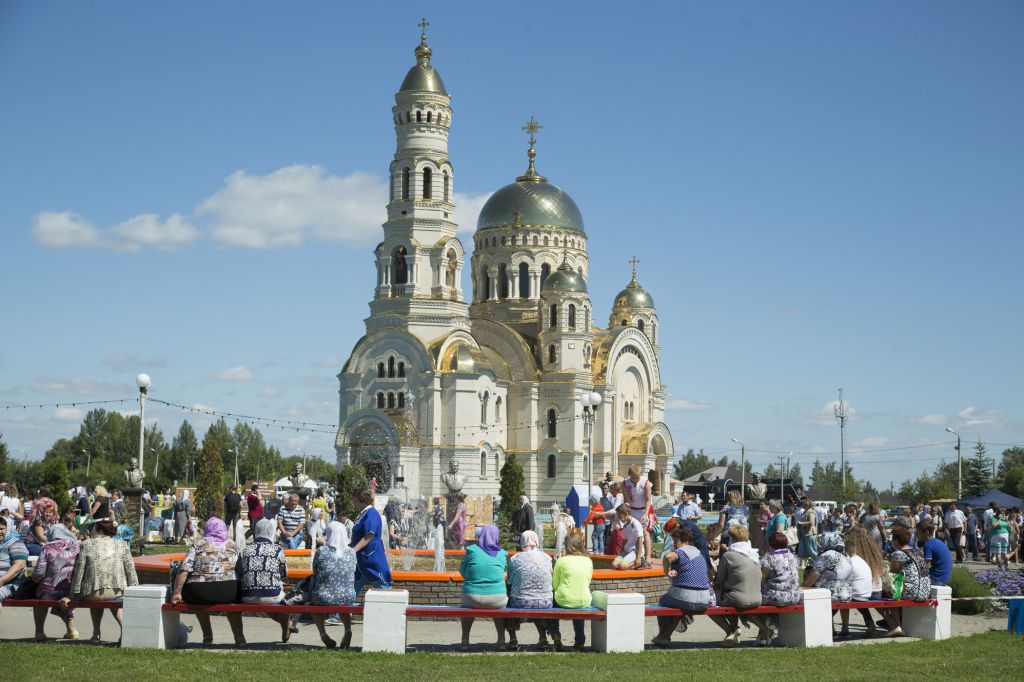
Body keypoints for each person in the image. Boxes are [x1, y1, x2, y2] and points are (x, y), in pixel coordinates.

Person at [170, 517, 245, 645]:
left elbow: (184, 569)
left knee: (197, 596)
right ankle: (239, 638)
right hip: (229, 591)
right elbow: (241, 570)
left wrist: (177, 592)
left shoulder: (199, 544)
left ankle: (207, 636)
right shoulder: (232, 545)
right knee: (234, 603)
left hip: (200, 591)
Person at [65, 518, 139, 643]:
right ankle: (125, 631)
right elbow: (131, 570)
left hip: (93, 592)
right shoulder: (122, 544)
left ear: (99, 530)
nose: (91, 531)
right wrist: (136, 590)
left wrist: (72, 595)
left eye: (93, 528)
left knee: (96, 596)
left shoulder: (86, 544)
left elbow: (79, 572)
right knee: (115, 600)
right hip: (118, 591)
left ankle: (96, 634)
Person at [651, 525, 710, 648]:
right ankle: (667, 634)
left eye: (676, 541)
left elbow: (667, 557)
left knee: (663, 600)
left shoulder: (681, 552)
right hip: (704, 598)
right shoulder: (698, 553)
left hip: (687, 598)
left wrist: (666, 572)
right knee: (679, 604)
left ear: (686, 542)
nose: (673, 544)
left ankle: (663, 634)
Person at [235, 518, 290, 642]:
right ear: (271, 532)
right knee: (283, 601)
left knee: (266, 599)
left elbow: (239, 571)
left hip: (248, 597)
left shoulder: (246, 550)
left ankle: (287, 626)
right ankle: (287, 627)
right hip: (272, 595)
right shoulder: (278, 550)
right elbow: (284, 575)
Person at [709, 525, 762, 647]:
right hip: (757, 598)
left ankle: (731, 630)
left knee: (710, 604)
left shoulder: (729, 555)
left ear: (732, 539)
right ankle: (734, 632)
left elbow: (719, 580)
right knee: (730, 594)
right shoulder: (754, 554)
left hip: (737, 598)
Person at [457, 524, 508, 651]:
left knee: (467, 608)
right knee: (499, 608)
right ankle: (501, 640)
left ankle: (465, 640)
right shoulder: (502, 554)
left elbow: (463, 573)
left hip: (472, 597)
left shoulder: (472, 550)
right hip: (497, 598)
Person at [309, 521, 358, 649]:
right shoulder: (352, 552)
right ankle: (347, 630)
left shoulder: (322, 551)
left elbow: (315, 571)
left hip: (324, 597)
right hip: (348, 596)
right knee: (343, 601)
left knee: (313, 602)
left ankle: (323, 633)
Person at [32, 523, 81, 641]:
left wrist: (33, 579)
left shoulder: (47, 547)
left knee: (39, 598)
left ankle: (39, 633)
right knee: (62, 599)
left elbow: (39, 573)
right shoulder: (77, 546)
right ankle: (72, 630)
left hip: (50, 590)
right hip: (70, 590)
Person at [505, 529, 552, 650]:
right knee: (536, 601)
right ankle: (542, 638)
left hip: (521, 601)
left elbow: (509, 581)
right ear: (536, 541)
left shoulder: (515, 558)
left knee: (508, 602)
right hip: (545, 602)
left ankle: (513, 639)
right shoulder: (547, 558)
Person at [881, 524, 931, 636]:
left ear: (896, 541)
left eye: (892, 539)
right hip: (925, 591)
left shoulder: (898, 553)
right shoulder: (918, 551)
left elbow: (892, 575)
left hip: (913, 592)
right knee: (896, 586)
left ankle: (896, 625)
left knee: (884, 593)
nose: (891, 542)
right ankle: (896, 622)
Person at [755, 531, 802, 646]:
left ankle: (766, 630)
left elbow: (763, 578)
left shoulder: (770, 557)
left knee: (755, 599)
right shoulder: (793, 557)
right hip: (794, 596)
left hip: (777, 596)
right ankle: (766, 631)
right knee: (769, 599)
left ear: (771, 545)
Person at [549, 530, 593, 651]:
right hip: (584, 600)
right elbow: (587, 581)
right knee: (579, 604)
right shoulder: (588, 561)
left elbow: (555, 585)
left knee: (550, 602)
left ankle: (555, 634)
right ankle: (580, 638)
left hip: (563, 599)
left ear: (566, 545)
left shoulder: (561, 561)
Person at [844, 527, 884, 639]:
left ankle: (845, 628)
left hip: (868, 591)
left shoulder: (856, 556)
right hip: (876, 589)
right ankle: (884, 625)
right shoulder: (871, 550)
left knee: (854, 597)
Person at [350, 488, 391, 592]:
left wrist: (353, 550)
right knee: (353, 585)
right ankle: (346, 605)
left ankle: (391, 605)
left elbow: (369, 535)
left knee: (382, 586)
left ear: (361, 500)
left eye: (355, 501)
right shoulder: (364, 513)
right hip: (362, 559)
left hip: (371, 558)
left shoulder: (371, 513)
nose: (354, 504)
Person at [623, 464, 653, 565]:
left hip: (644, 509)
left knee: (644, 532)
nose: (635, 480)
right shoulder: (625, 483)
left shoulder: (646, 483)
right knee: (632, 531)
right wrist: (627, 513)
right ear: (629, 475)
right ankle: (634, 554)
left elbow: (648, 500)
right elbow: (626, 500)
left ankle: (648, 557)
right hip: (632, 509)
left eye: (637, 478)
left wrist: (646, 514)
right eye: (633, 478)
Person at [0, 515, 28, 601]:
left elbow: (19, 565)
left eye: (2, 529)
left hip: (12, 583)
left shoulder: (15, 543)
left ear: (7, 529)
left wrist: (1, 581)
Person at [612, 504, 646, 570]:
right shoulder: (625, 525)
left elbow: (640, 540)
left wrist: (638, 558)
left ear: (626, 513)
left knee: (622, 566)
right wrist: (621, 553)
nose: (618, 517)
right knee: (614, 564)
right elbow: (624, 540)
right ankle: (630, 563)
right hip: (627, 550)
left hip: (635, 551)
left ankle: (641, 562)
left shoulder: (636, 524)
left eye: (619, 515)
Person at [795, 498, 818, 565]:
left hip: (810, 534)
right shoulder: (804, 512)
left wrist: (801, 523)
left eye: (804, 504)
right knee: (802, 551)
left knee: (812, 551)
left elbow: (811, 523)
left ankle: (817, 563)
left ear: (807, 505)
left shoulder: (811, 512)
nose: (802, 505)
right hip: (804, 533)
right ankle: (803, 565)